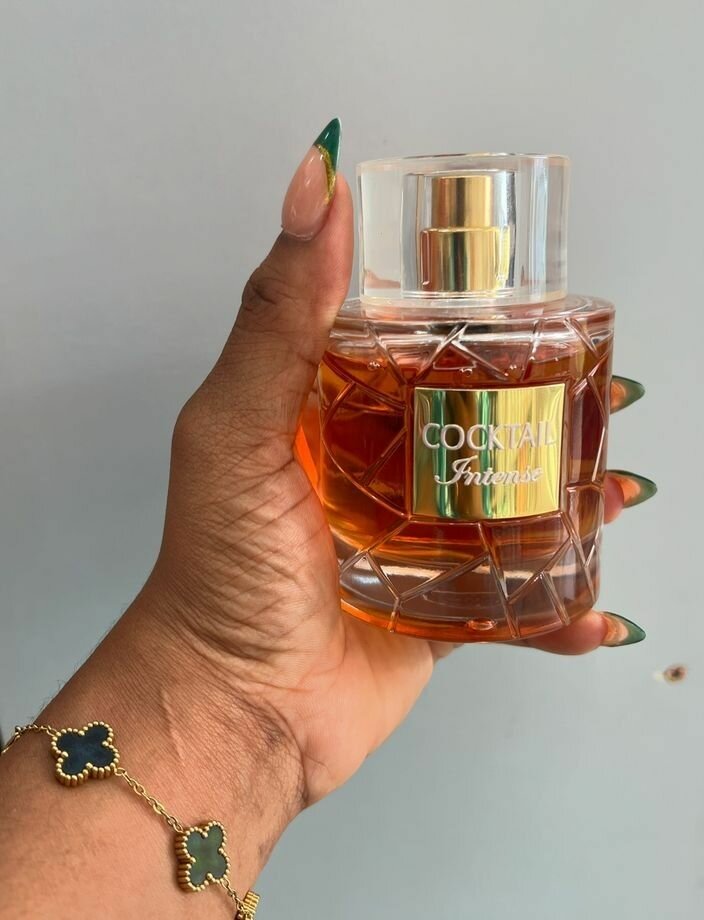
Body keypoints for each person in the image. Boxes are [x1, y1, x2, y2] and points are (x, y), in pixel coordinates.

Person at [0, 121, 652, 918]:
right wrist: (230, 680)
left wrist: (242, 702)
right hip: (370, 591)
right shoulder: (372, 333)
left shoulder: (565, 325)